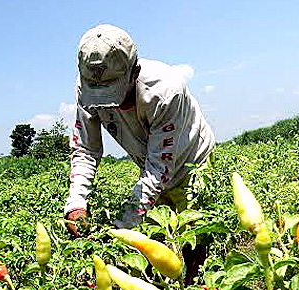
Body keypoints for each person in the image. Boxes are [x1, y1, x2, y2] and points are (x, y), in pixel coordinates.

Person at [64, 24, 216, 236]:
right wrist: (76, 203)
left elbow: (158, 168)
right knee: (156, 241)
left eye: (111, 91)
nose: (108, 105)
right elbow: (86, 149)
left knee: (194, 240)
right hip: (150, 166)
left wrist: (122, 228)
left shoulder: (164, 91)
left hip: (190, 164)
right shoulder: (85, 88)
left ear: (135, 72)